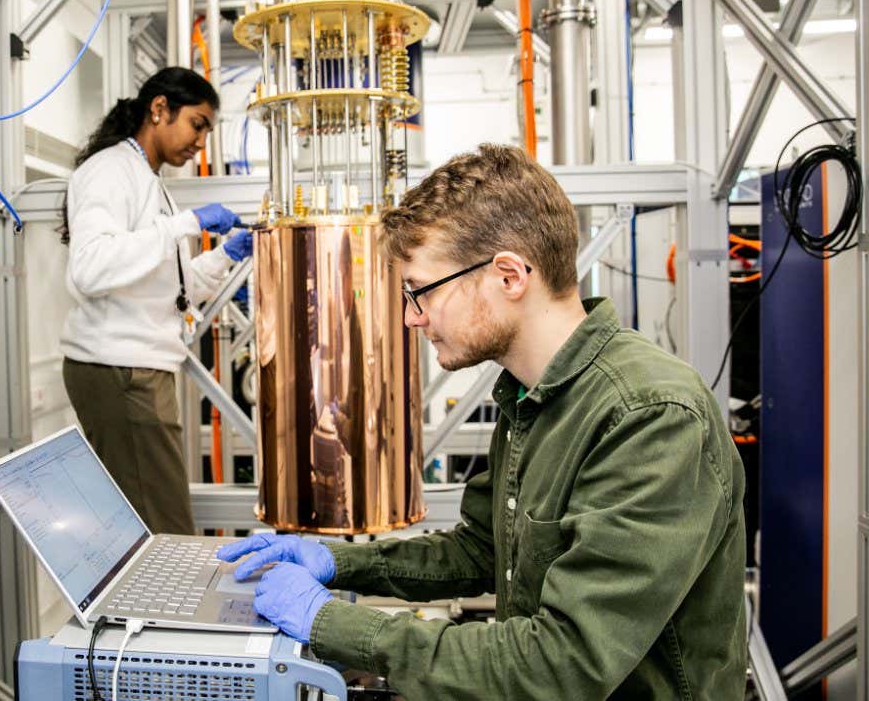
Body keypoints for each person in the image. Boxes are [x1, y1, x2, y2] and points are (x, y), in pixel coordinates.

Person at [219, 144, 747, 699]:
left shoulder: (649, 418)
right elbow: (484, 551)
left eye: (421, 291)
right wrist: (337, 561)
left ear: (509, 275)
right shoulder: (532, 395)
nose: (410, 317)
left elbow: (562, 663)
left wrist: (330, 622)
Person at [60, 67, 252, 535]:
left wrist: (224, 257)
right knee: (164, 531)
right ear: (159, 109)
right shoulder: (109, 171)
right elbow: (90, 268)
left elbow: (173, 289)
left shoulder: (150, 183)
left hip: (139, 369)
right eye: (198, 124)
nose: (200, 142)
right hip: (121, 371)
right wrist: (185, 224)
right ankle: (162, 610)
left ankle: (152, 606)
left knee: (152, 521)